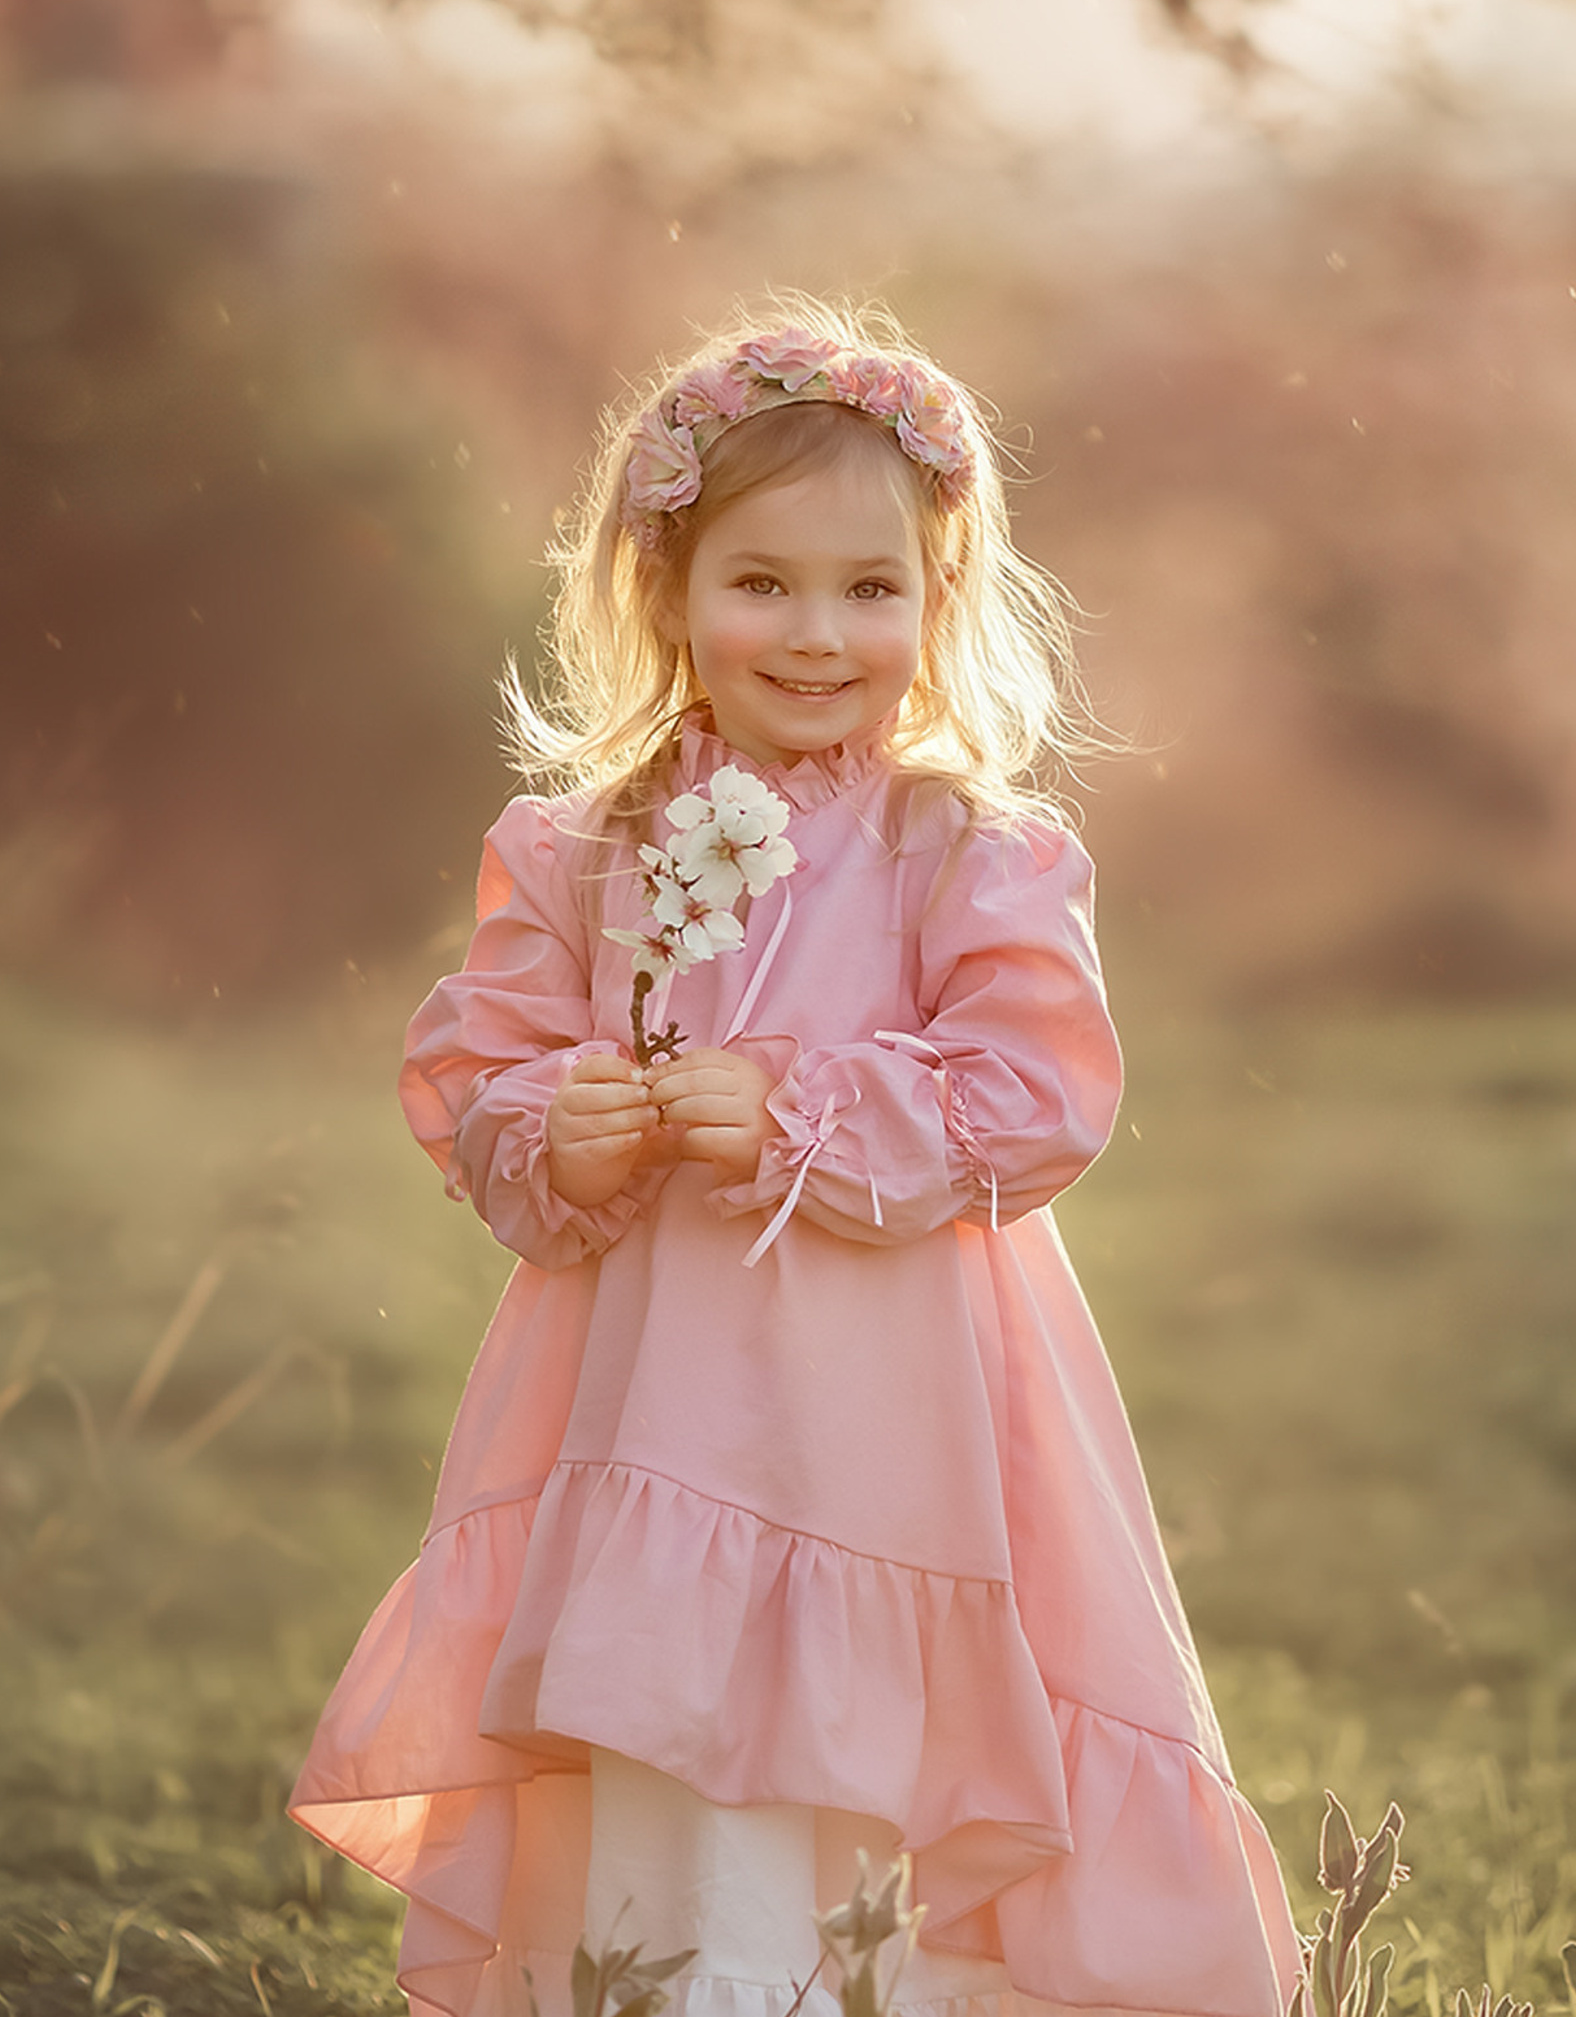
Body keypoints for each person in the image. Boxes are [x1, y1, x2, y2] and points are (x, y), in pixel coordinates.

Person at [290, 305, 1301, 2017]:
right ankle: (675, 1981)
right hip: (651, 1406)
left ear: (939, 596)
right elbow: (482, 1070)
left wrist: (807, 1108)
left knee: (858, 1766)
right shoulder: (581, 845)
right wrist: (563, 1124)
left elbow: (1037, 1088)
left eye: (872, 588)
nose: (821, 634)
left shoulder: (968, 850)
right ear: (666, 589)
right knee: (670, 1746)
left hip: (886, 1424)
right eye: (762, 583)